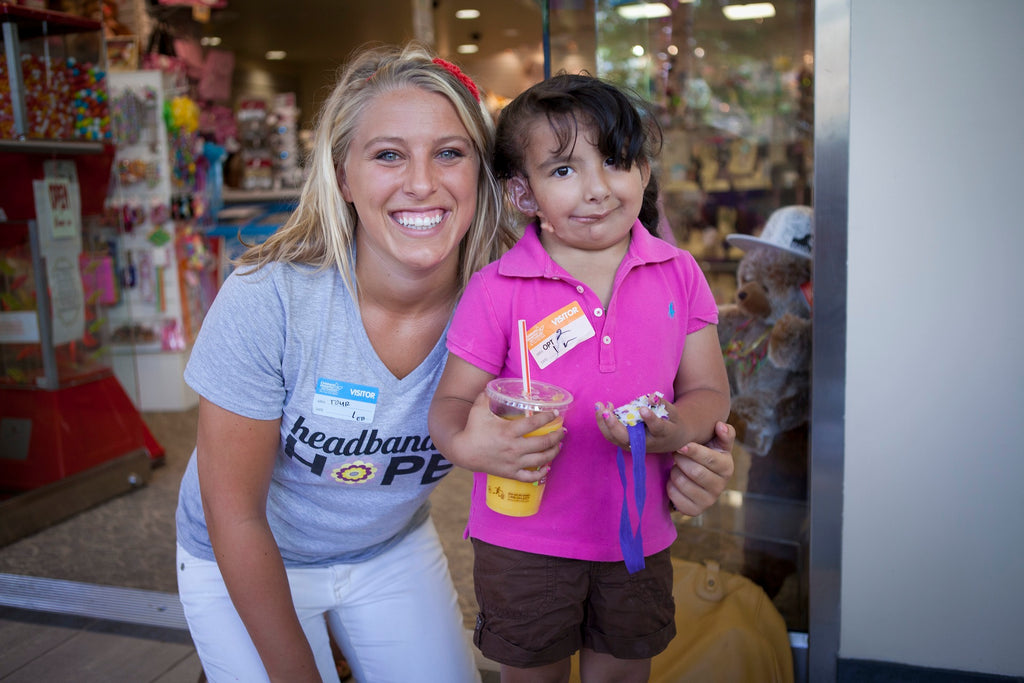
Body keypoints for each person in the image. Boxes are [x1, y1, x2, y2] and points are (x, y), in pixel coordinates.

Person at [175, 42, 735, 683]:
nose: (421, 182)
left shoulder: (514, 291)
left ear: (486, 177)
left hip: (389, 550)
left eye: (449, 153)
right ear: (341, 177)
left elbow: (653, 384)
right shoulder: (269, 299)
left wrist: (690, 456)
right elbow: (234, 513)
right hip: (242, 554)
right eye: (388, 155)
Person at [428, 73, 732, 683]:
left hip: (638, 535)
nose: (596, 189)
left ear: (644, 173)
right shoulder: (497, 289)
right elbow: (450, 403)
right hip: (523, 540)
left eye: (616, 162)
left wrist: (673, 431)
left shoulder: (680, 273)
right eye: (563, 170)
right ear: (524, 193)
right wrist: (470, 443)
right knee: (532, 675)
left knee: (622, 673)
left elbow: (709, 391)